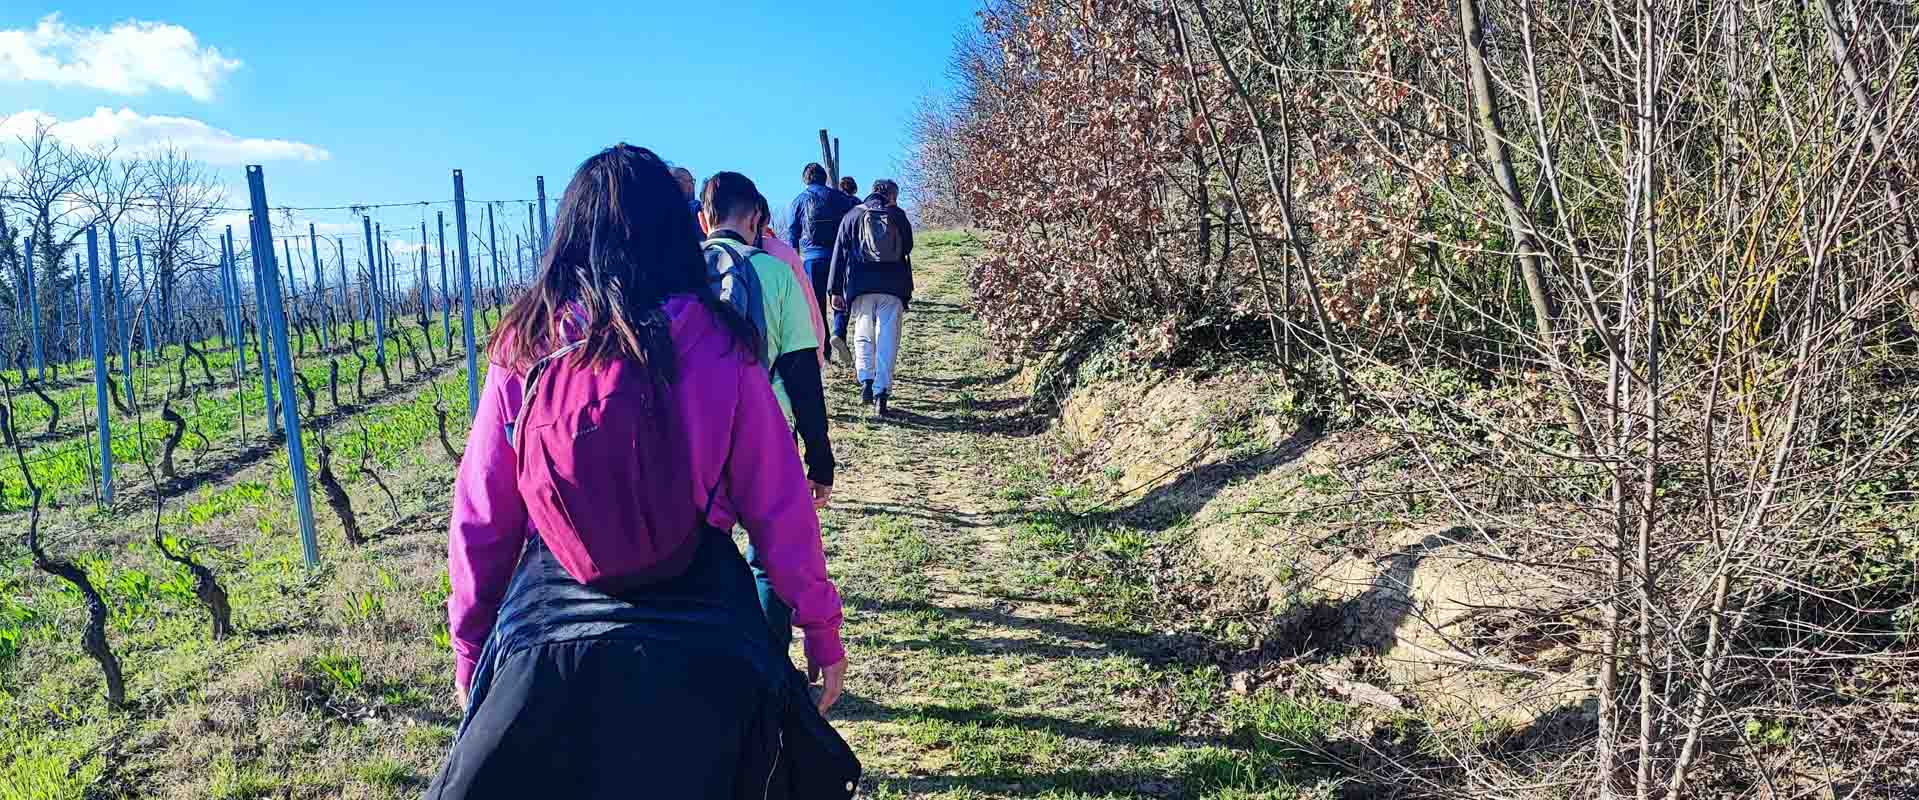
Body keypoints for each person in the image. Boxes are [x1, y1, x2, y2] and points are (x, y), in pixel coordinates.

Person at [434, 145, 845, 799]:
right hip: (705, 635)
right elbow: (778, 505)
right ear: (680, 230)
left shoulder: (529, 341)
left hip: (551, 639)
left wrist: (471, 646)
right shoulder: (720, 340)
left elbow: (483, 514)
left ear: (569, 234)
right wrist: (820, 628)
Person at [704, 172, 837, 656]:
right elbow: (803, 372)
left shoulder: (682, 278)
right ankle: (770, 666)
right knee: (769, 559)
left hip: (702, 440)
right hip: (771, 432)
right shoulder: (778, 274)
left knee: (706, 552)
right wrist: (820, 459)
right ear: (758, 218)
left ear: (703, 220)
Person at [828, 178, 913, 416]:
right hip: (893, 285)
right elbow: (908, 246)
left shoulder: (853, 215)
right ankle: (881, 392)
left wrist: (835, 290)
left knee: (863, 332)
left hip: (860, 284)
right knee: (887, 337)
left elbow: (839, 253)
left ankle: (865, 379)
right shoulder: (897, 215)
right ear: (892, 196)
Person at [784, 163, 856, 362]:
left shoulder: (798, 201)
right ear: (824, 178)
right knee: (839, 296)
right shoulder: (841, 197)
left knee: (816, 305)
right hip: (838, 256)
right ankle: (839, 333)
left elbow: (793, 232)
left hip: (811, 258)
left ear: (805, 179)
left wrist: (795, 258)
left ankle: (824, 349)